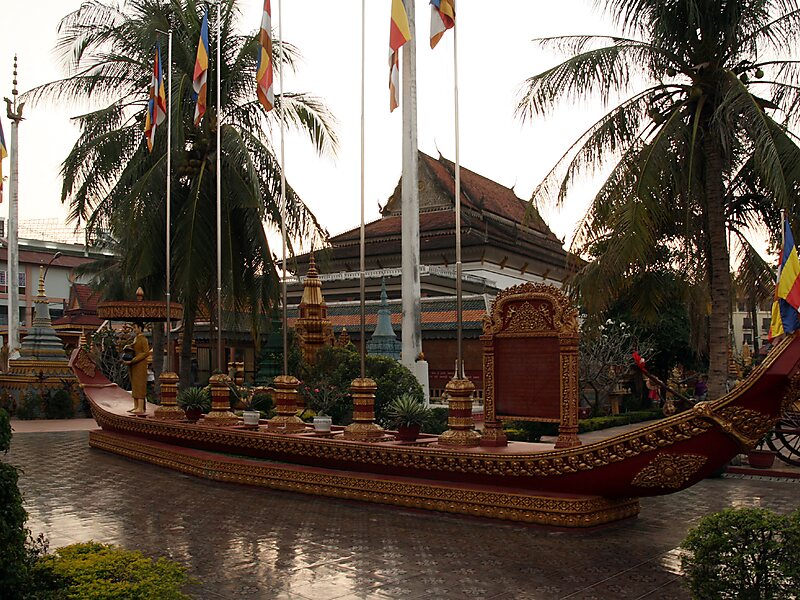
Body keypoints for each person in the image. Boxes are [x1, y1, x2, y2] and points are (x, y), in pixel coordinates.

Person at [122, 323, 150, 414]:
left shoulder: (143, 339)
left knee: (139, 385)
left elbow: (145, 353)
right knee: (134, 384)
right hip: (133, 365)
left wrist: (134, 359)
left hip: (140, 364)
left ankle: (141, 407)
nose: (134, 329)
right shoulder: (136, 338)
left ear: (140, 328)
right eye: (133, 327)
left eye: (135, 327)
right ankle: (136, 406)